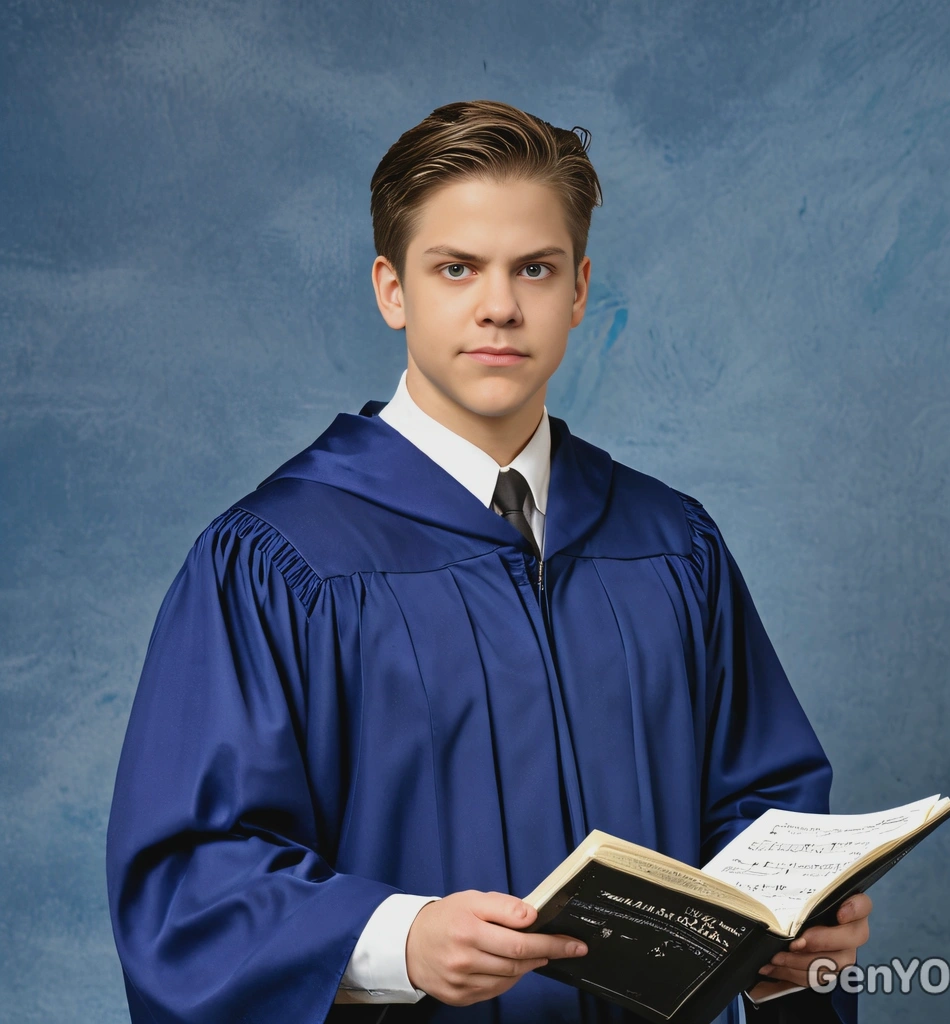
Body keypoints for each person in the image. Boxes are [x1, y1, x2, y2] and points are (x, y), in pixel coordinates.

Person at [106, 99, 870, 1024]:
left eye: (534, 269)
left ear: (579, 290)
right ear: (392, 289)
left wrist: (790, 940)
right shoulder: (279, 562)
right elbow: (189, 883)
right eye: (457, 268)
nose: (500, 306)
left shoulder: (672, 545)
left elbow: (762, 805)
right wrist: (400, 941)